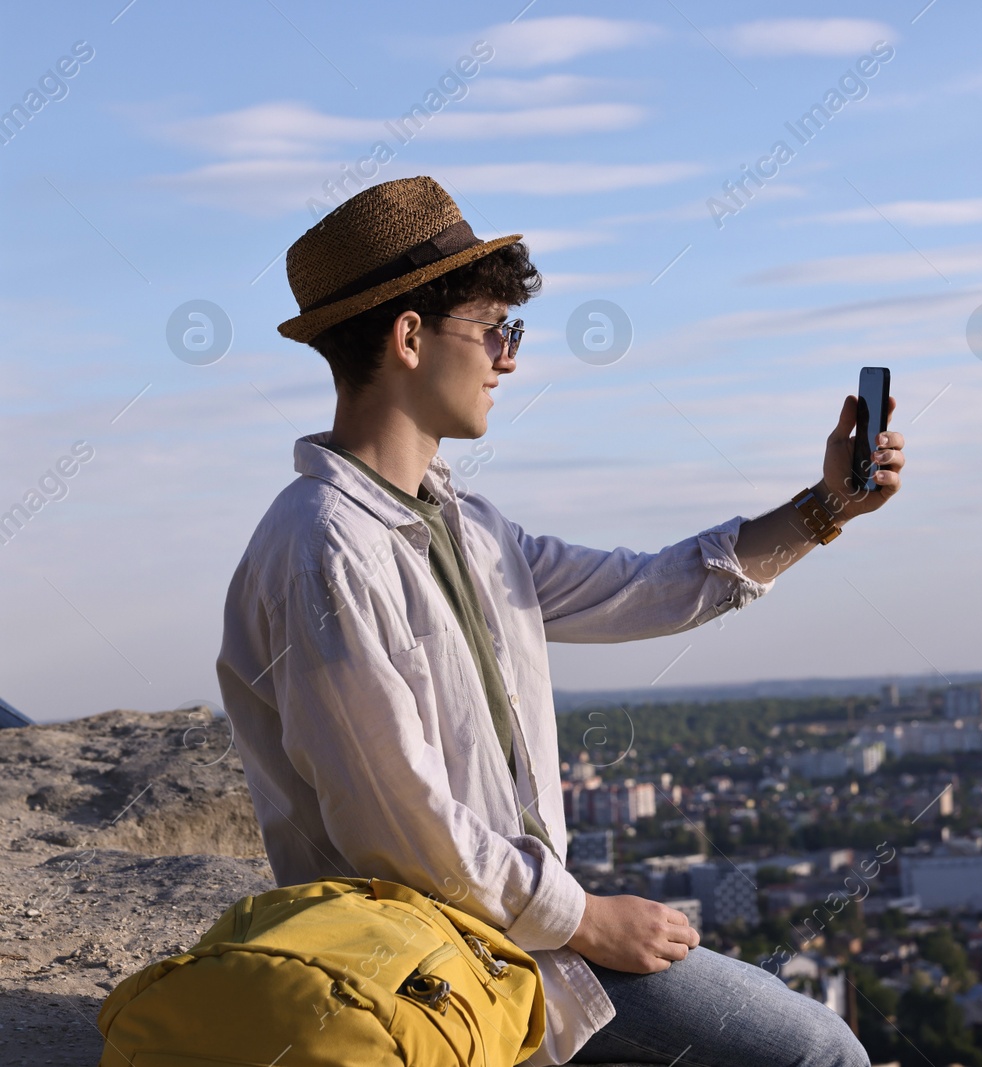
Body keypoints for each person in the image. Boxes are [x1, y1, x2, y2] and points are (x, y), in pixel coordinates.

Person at [215, 176, 906, 1067]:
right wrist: (587, 920)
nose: (509, 359)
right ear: (410, 337)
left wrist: (824, 508)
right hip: (434, 971)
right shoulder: (322, 547)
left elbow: (652, 587)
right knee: (817, 1049)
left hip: (507, 938)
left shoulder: (468, 528)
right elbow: (395, 824)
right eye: (495, 329)